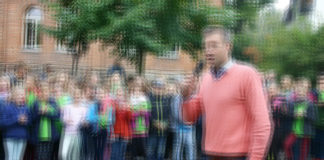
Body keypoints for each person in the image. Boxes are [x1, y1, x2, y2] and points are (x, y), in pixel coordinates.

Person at [181, 26, 272, 160]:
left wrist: (256, 157)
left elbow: (262, 123)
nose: (208, 51)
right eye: (205, 46)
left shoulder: (247, 74)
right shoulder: (206, 79)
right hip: (210, 154)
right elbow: (189, 118)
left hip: (239, 155)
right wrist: (186, 96)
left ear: (228, 46)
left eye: (214, 45)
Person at [284, 78, 317, 160]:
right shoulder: (293, 103)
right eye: (298, 93)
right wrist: (294, 114)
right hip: (295, 131)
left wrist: (304, 115)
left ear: (306, 93)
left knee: (303, 153)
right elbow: (289, 115)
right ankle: (290, 158)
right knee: (287, 145)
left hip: (305, 132)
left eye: (302, 92)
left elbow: (313, 118)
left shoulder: (310, 104)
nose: (300, 94)